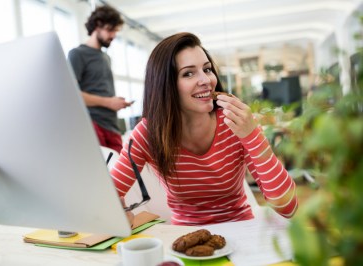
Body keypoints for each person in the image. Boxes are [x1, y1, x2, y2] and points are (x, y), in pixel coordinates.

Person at [110, 32, 298, 226]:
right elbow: (108, 196)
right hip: (185, 240)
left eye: (207, 69)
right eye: (188, 73)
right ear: (165, 86)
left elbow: (287, 207)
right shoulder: (149, 133)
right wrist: (119, 210)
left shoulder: (235, 123)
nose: (206, 80)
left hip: (242, 230)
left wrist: (253, 136)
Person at [68, 5, 132, 153]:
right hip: (92, 124)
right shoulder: (77, 54)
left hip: (112, 125)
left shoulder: (106, 57)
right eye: (110, 30)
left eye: (116, 31)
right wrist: (109, 102)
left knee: (117, 171)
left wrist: (116, 102)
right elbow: (73, 94)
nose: (114, 35)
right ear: (97, 26)